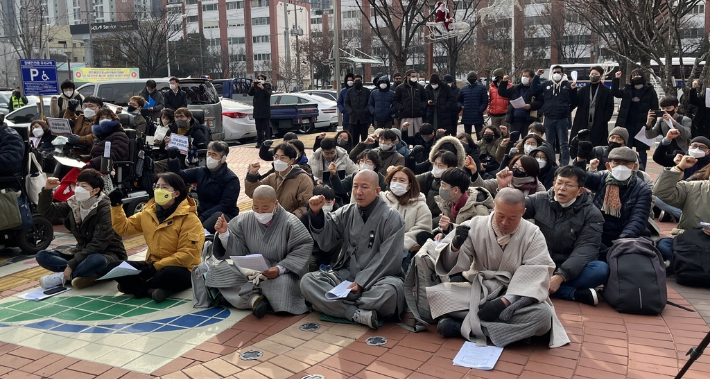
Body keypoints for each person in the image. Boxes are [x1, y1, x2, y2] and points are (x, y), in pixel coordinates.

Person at [428, 188, 569, 348]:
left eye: (512, 218)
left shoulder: (533, 234)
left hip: (513, 293)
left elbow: (537, 270)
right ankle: (511, 332)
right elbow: (449, 265)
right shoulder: (474, 225)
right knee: (432, 300)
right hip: (478, 290)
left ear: (523, 212)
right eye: (500, 215)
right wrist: (454, 246)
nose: (504, 223)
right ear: (494, 206)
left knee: (543, 316)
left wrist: (505, 302)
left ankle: (462, 327)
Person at [300, 170, 406, 329]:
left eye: (364, 187)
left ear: (377, 191)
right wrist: (316, 214)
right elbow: (327, 240)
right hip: (348, 274)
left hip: (380, 278)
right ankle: (355, 313)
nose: (358, 192)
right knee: (308, 281)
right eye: (355, 186)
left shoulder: (392, 217)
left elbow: (389, 257)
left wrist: (362, 283)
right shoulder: (346, 212)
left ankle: (333, 304)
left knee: (389, 292)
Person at [209, 185, 313, 318]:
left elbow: (303, 246)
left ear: (275, 204)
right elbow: (237, 250)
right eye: (256, 207)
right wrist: (224, 234)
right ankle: (254, 299)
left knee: (284, 284)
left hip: (278, 272)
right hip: (250, 270)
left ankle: (246, 297)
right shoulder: (244, 219)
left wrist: (279, 269)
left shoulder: (290, 222)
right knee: (219, 269)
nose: (260, 212)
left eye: (265, 208)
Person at [109, 173, 204, 302]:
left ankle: (134, 286)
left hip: (183, 268)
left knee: (165, 275)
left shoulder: (189, 219)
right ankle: (150, 290)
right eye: (157, 186)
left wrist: (155, 268)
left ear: (176, 193)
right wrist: (116, 205)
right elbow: (123, 228)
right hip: (152, 264)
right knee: (114, 266)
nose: (159, 190)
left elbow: (187, 255)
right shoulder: (148, 213)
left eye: (164, 187)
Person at [523, 166, 607, 305]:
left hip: (570, 266)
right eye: (559, 183)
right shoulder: (538, 200)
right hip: (539, 261)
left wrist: (561, 276)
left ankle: (539, 288)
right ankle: (571, 293)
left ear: (580, 191)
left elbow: (586, 249)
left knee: (600, 270)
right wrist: (502, 189)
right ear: (554, 184)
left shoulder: (592, 213)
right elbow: (514, 209)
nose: (562, 188)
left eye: (569, 185)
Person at [37, 169, 127, 289]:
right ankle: (83, 274)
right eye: (77, 184)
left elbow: (98, 244)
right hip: (82, 252)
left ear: (95, 190)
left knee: (96, 260)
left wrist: (72, 265)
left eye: (83, 186)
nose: (78, 188)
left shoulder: (106, 208)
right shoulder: (74, 203)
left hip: (108, 254)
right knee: (42, 255)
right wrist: (47, 190)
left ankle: (64, 277)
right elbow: (46, 211)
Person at [583, 147, 652, 249]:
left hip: (625, 236)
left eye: (626, 164)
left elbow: (637, 220)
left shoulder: (642, 189)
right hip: (598, 232)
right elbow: (579, 178)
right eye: (616, 163)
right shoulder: (602, 178)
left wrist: (621, 242)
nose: (621, 167)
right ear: (608, 165)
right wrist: (580, 160)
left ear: (634, 167)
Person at [167, 141, 240, 234]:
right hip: (203, 211)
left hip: (223, 215)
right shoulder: (201, 172)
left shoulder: (231, 179)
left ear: (223, 159)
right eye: (209, 154)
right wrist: (173, 159)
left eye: (214, 155)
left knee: (203, 225)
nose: (210, 157)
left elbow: (225, 205)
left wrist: (203, 216)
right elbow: (179, 176)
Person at [653, 155, 710, 265]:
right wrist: (679, 168)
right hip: (690, 240)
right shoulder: (694, 187)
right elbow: (662, 193)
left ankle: (686, 264)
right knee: (664, 245)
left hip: (694, 249)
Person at [381, 166, 432, 269]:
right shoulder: (380, 200)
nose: (397, 182)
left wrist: (398, 244)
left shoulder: (419, 205)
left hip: (403, 253)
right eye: (394, 179)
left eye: (402, 180)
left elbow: (422, 229)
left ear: (409, 185)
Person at [245, 143, 314, 218]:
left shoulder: (303, 179)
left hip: (290, 223)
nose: (278, 160)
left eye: (282, 157)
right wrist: (252, 175)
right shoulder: (273, 177)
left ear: (292, 161)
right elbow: (253, 193)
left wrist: (290, 219)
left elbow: (305, 206)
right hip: (269, 220)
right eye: (276, 157)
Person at [430, 167, 494, 241]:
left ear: (456, 190)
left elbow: (478, 236)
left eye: (443, 185)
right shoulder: (449, 203)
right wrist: (442, 233)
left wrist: (449, 228)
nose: (441, 188)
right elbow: (446, 227)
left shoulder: (479, 209)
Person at [612, 69, 659, 169]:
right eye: (633, 76)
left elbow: (655, 108)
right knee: (625, 148)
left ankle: (641, 171)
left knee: (642, 150)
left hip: (643, 126)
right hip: (627, 125)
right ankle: (625, 168)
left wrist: (650, 124)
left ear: (643, 77)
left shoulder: (650, 91)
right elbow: (615, 92)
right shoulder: (628, 90)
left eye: (637, 75)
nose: (635, 78)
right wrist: (616, 78)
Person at [532, 66, 577, 165]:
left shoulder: (567, 85)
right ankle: (551, 162)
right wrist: (537, 76)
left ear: (562, 73)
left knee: (563, 144)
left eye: (558, 72)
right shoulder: (546, 85)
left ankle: (564, 163)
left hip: (562, 119)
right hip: (549, 118)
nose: (556, 74)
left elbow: (574, 100)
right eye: (554, 72)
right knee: (549, 143)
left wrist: (567, 110)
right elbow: (534, 89)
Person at [570, 66, 614, 147]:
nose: (593, 75)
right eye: (591, 74)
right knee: (582, 146)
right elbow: (575, 103)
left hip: (599, 122)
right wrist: (573, 91)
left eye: (596, 74)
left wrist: (603, 120)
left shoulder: (606, 91)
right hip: (583, 121)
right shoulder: (583, 90)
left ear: (600, 76)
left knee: (598, 147)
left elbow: (610, 107)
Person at [301, 185, 342, 271]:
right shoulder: (306, 217)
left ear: (334, 201)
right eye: (321, 202)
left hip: (334, 249)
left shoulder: (339, 214)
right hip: (315, 250)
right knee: (309, 263)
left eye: (328, 202)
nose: (324, 205)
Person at [471, 155, 546, 196]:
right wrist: (474, 171)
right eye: (515, 166)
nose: (515, 169)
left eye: (521, 168)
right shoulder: (507, 178)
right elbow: (483, 186)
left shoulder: (538, 188)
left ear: (529, 172)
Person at [498, 69, 542, 136]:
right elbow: (502, 93)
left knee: (528, 138)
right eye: (523, 76)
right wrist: (504, 82)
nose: (524, 78)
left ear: (531, 78)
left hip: (529, 120)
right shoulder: (515, 88)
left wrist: (530, 105)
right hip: (515, 119)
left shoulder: (536, 89)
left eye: (526, 76)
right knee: (513, 140)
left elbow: (540, 102)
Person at [393, 69, 427, 139]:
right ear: (408, 77)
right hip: (405, 116)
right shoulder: (400, 88)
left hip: (418, 116)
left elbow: (425, 99)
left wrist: (421, 107)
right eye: (413, 76)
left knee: (419, 136)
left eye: (415, 76)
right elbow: (395, 100)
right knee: (405, 136)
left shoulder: (420, 87)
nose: (415, 78)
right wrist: (401, 108)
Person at [457, 71, 488, 138]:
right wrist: (461, 106)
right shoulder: (463, 89)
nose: (472, 79)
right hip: (466, 116)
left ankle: (480, 148)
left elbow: (485, 101)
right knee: (467, 137)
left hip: (478, 116)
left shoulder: (482, 88)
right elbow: (458, 101)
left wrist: (480, 110)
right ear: (468, 79)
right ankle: (468, 148)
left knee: (480, 136)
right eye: (470, 77)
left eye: (473, 77)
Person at [345, 75, 373, 143]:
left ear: (362, 80)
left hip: (364, 119)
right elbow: (346, 103)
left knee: (364, 138)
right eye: (356, 80)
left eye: (359, 80)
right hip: (353, 119)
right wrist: (350, 111)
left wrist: (366, 111)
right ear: (353, 81)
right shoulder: (349, 91)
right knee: (354, 138)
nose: (358, 81)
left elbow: (369, 103)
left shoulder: (366, 91)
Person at [248, 74, 272, 148]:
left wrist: (263, 88)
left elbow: (268, 94)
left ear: (264, 80)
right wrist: (253, 86)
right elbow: (249, 93)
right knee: (258, 128)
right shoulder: (256, 88)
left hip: (265, 110)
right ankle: (259, 142)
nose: (260, 80)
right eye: (259, 79)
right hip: (257, 111)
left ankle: (267, 141)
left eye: (261, 79)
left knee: (266, 127)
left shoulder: (267, 86)